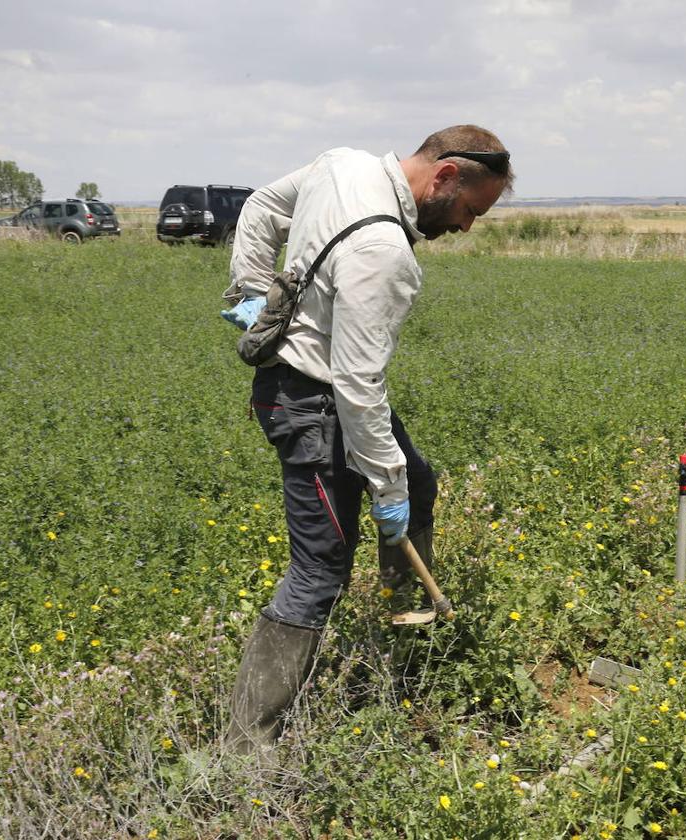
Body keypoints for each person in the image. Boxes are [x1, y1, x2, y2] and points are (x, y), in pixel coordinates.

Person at [218, 126, 514, 753]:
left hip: (313, 388)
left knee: (420, 482)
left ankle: (402, 632)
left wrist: (251, 290)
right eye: (469, 211)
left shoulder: (342, 164)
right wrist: (385, 484)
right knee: (318, 569)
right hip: (312, 402)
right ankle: (243, 749)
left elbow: (262, 206)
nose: (465, 228)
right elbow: (357, 385)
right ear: (446, 178)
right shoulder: (385, 250)